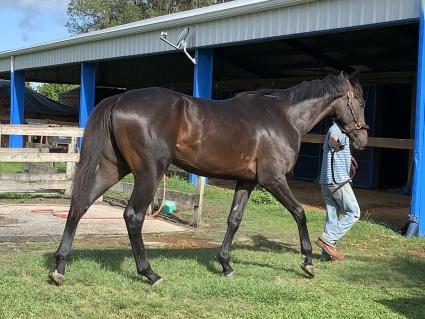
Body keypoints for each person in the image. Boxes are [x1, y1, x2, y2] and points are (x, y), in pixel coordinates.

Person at [316, 121, 361, 261]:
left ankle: (327, 254)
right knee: (354, 212)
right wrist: (338, 145)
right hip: (338, 180)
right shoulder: (337, 129)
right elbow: (333, 139)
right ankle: (328, 239)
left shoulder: (336, 129)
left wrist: (348, 157)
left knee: (332, 217)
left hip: (326, 180)